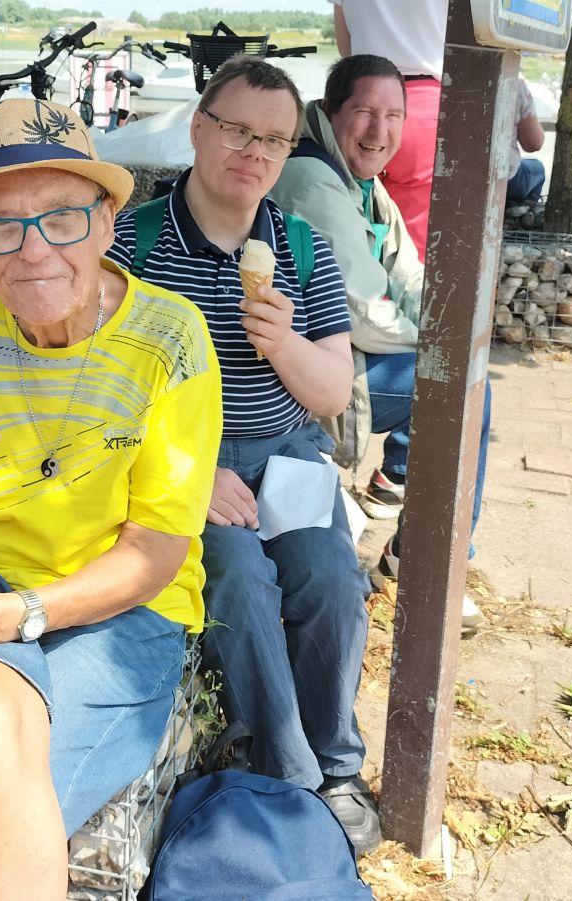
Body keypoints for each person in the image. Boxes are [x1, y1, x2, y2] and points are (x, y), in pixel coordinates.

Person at [0, 98, 221, 900]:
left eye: (61, 218)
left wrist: (7, 618)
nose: (33, 251)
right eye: (3, 225)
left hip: (125, 610)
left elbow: (155, 552)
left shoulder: (171, 340)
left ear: (106, 222)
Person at [105, 56, 382, 853]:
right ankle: (285, 775)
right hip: (179, 458)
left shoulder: (302, 248)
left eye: (274, 139)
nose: (254, 152)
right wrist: (190, 471)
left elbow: (332, 390)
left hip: (286, 454)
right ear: (198, 129)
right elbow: (105, 384)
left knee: (332, 578)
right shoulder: (134, 243)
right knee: (236, 577)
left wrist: (285, 343)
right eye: (236, 130)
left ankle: (337, 764)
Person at [268, 54, 490, 629]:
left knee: (457, 374)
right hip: (303, 372)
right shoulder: (313, 179)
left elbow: (408, 273)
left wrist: (442, 331)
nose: (380, 131)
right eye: (365, 112)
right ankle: (427, 562)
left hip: (340, 352)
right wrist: (440, 349)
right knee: (460, 390)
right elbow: (363, 313)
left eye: (394, 116)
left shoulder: (359, 181)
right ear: (330, 110)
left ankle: (399, 497)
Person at [327, 0, 460, 259]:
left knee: (358, 233)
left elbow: (345, 44)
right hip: (425, 110)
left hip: (359, 103)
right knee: (414, 249)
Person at [507, 77, 547, 206]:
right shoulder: (514, 84)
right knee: (538, 168)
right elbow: (533, 144)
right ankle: (516, 211)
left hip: (454, 174)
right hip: (504, 178)